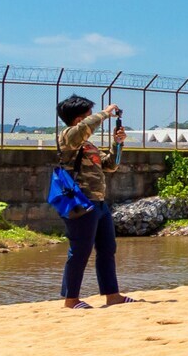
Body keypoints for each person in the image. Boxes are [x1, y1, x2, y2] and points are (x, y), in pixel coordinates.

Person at [55, 96, 134, 309]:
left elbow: (110, 166)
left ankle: (112, 295)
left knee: (107, 249)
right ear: (79, 118)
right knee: (80, 251)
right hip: (80, 204)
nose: (94, 118)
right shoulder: (67, 138)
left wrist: (117, 144)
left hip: (99, 204)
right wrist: (106, 113)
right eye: (90, 114)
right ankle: (71, 300)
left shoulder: (87, 145)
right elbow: (83, 129)